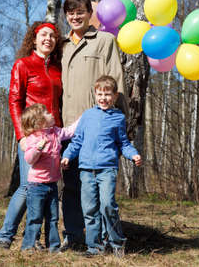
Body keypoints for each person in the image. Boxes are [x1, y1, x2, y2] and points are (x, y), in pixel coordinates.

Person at [60, 0, 128, 250]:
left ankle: (110, 240)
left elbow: (117, 83)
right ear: (66, 16)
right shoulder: (62, 45)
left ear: (90, 14)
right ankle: (75, 236)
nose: (75, 17)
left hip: (98, 131)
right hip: (68, 130)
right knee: (72, 187)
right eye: (71, 13)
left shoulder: (105, 40)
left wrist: (120, 125)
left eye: (80, 12)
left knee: (102, 193)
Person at [0, 21, 63, 249]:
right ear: (34, 39)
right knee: (28, 187)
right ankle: (5, 236)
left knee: (48, 189)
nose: (48, 39)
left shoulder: (57, 68)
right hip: (32, 137)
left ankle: (33, 238)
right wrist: (22, 136)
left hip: (53, 136)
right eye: (44, 35)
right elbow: (14, 101)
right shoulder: (23, 65)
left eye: (53, 36)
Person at [61, 75, 142, 258]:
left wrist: (133, 154)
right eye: (100, 94)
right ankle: (94, 247)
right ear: (95, 95)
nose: (103, 98)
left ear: (114, 96)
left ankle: (117, 243)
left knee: (107, 205)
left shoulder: (118, 118)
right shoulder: (87, 116)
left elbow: (123, 143)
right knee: (89, 210)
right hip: (86, 170)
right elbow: (77, 141)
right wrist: (67, 156)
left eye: (107, 94)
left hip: (107, 169)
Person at [19, 103, 78, 252]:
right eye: (46, 113)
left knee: (53, 218)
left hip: (52, 184)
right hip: (36, 186)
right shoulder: (33, 138)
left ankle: (53, 247)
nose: (51, 113)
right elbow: (29, 159)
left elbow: (69, 132)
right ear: (39, 122)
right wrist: (38, 148)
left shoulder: (56, 132)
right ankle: (28, 247)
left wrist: (83, 118)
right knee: (35, 218)